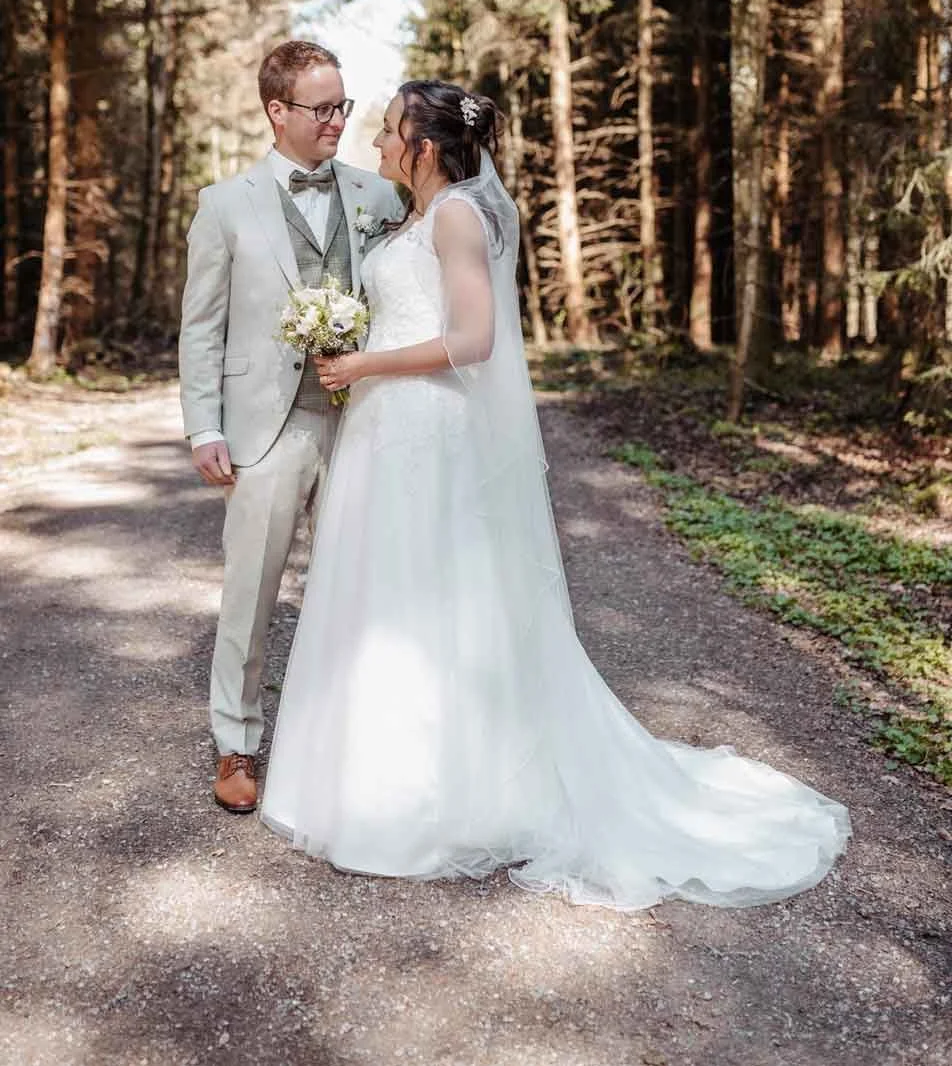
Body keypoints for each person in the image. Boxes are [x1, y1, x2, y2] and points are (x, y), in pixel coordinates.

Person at [260, 79, 850, 910]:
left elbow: (473, 339)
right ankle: (369, 779)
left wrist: (363, 363)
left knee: (431, 599)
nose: (378, 143)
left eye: (390, 131)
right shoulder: (418, 217)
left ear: (425, 147)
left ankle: (440, 798)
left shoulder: (457, 216)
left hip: (426, 429)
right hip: (388, 429)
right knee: (384, 596)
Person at [178, 40, 403, 813]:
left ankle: (348, 739)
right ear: (278, 111)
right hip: (263, 426)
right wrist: (203, 427)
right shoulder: (224, 205)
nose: (339, 120)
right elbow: (201, 327)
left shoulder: (379, 195)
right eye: (323, 107)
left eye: (344, 105)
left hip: (365, 419)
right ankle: (236, 741)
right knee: (251, 592)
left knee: (360, 585)